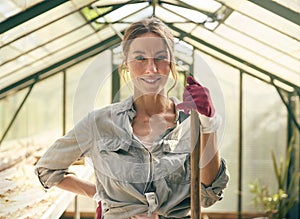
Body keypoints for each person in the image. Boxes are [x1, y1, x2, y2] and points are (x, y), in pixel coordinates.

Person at [35, 17, 229, 219]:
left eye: (161, 58)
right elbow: (47, 170)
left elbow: (209, 194)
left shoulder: (192, 125)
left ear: (172, 63)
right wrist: (100, 196)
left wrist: (209, 124)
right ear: (126, 63)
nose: (151, 69)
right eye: (140, 58)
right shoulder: (100, 123)